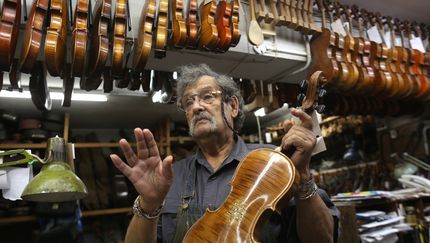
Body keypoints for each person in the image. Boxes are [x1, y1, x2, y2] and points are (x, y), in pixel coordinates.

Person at [110, 64, 339, 243]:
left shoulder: (276, 163)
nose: (196, 106)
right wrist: (149, 205)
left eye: (207, 96)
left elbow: (323, 239)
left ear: (233, 106)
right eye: (188, 102)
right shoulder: (171, 176)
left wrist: (303, 177)